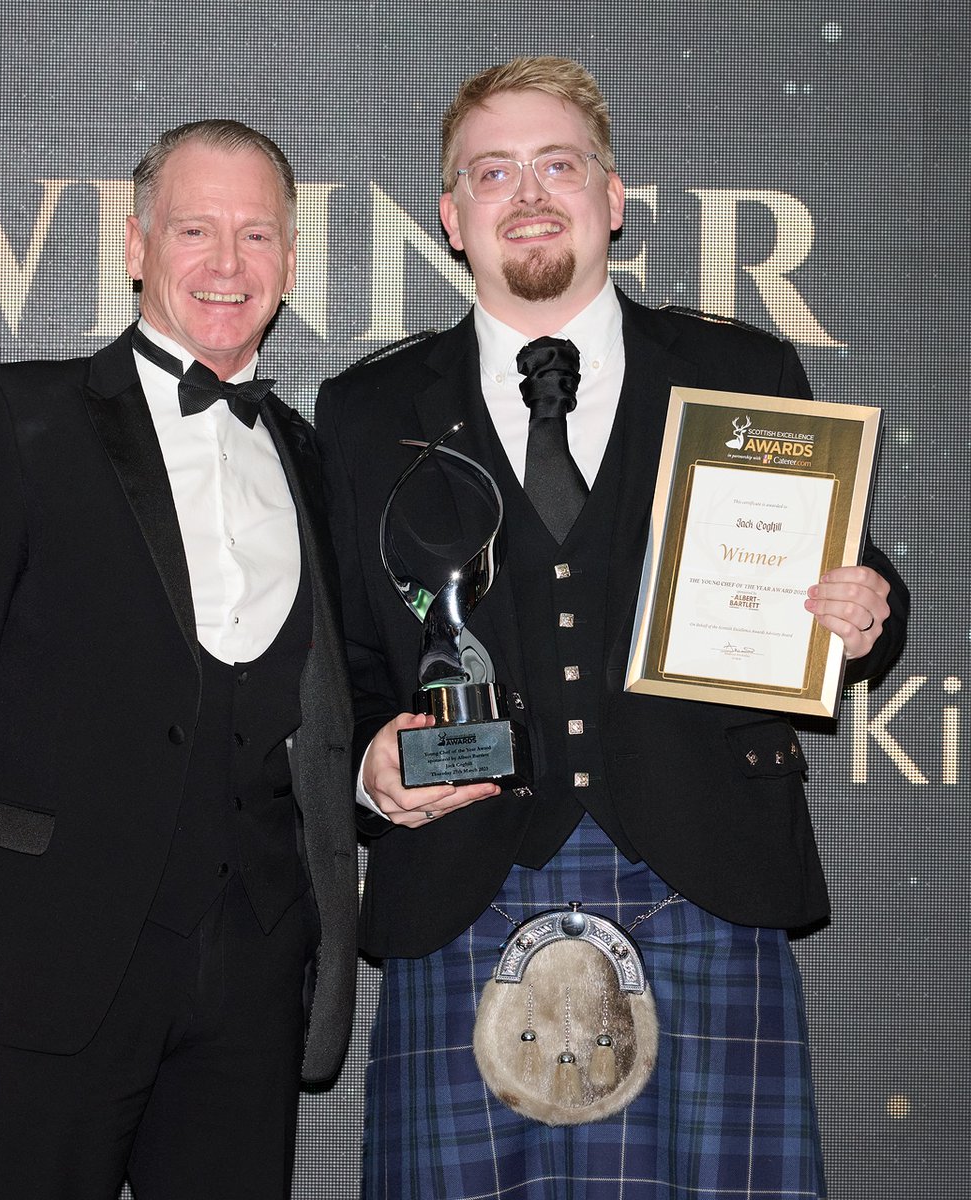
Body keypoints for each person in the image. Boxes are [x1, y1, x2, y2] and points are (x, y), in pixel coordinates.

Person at [314, 57, 907, 1199]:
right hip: (463, 880)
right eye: (492, 172)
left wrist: (866, 611)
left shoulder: (740, 368)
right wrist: (372, 769)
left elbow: (846, 575)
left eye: (558, 164)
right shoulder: (365, 409)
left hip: (706, 874)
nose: (527, 193)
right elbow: (335, 667)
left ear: (613, 195)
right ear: (452, 214)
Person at [0, 119, 356, 1200]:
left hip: (254, 978)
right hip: (44, 969)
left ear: (292, 261)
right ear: (135, 247)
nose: (228, 264)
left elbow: (324, 709)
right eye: (195, 230)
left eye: (257, 234)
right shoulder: (18, 414)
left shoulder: (310, 455)